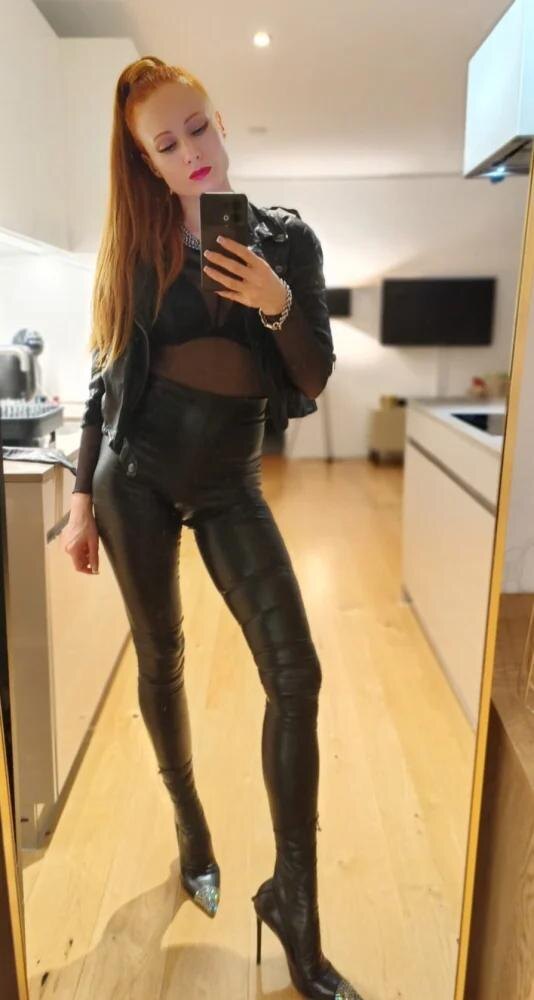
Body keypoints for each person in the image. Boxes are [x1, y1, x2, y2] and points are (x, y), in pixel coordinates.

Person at [62, 56, 363, 1000]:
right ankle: (191, 830)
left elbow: (311, 375)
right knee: (163, 659)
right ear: (147, 163)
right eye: (165, 144)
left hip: (232, 484)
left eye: (196, 127)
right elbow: (107, 373)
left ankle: (295, 905)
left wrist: (276, 302)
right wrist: (79, 498)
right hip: (135, 479)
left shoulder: (288, 241)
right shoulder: (139, 244)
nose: (189, 151)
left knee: (296, 674)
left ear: (218, 120)